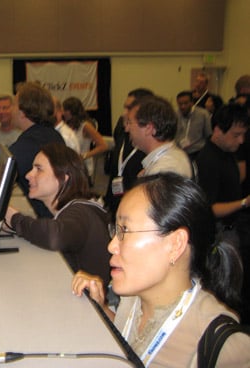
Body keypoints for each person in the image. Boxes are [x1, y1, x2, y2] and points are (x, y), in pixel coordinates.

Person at [72, 173, 249, 367]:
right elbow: (134, 346)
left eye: (125, 230)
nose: (112, 246)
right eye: (116, 230)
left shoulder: (222, 344)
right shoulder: (134, 299)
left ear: (175, 244)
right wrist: (102, 308)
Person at [5, 143, 111, 285]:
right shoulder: (75, 208)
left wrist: (13, 219)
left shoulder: (81, 212)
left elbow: (54, 236)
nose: (28, 175)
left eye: (39, 169)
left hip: (88, 303)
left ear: (64, 177)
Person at [0, 82, 64, 218]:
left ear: (23, 113)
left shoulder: (31, 142)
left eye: (14, 105)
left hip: (49, 222)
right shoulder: (45, 134)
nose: (11, 111)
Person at [195, 103, 250, 324]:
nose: (241, 141)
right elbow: (211, 208)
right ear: (218, 130)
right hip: (221, 234)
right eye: (236, 135)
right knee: (228, 291)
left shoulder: (227, 153)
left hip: (233, 228)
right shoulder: (208, 160)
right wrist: (244, 202)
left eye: (243, 135)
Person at [104, 88, 152, 219]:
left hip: (136, 211)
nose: (124, 113)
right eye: (124, 107)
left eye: (129, 108)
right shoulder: (121, 129)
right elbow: (116, 170)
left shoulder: (149, 146)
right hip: (115, 203)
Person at [126, 95, 192, 178]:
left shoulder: (163, 170)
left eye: (130, 122)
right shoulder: (170, 158)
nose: (127, 129)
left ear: (148, 128)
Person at [62, 97, 108, 181]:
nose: (63, 113)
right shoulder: (66, 126)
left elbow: (103, 146)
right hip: (69, 166)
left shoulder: (85, 126)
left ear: (72, 111)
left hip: (83, 167)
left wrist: (84, 156)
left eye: (65, 110)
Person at [175, 90, 212, 160]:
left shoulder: (203, 114)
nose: (183, 106)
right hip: (179, 152)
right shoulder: (175, 115)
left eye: (186, 103)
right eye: (180, 104)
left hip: (197, 152)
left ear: (192, 102)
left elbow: (208, 135)